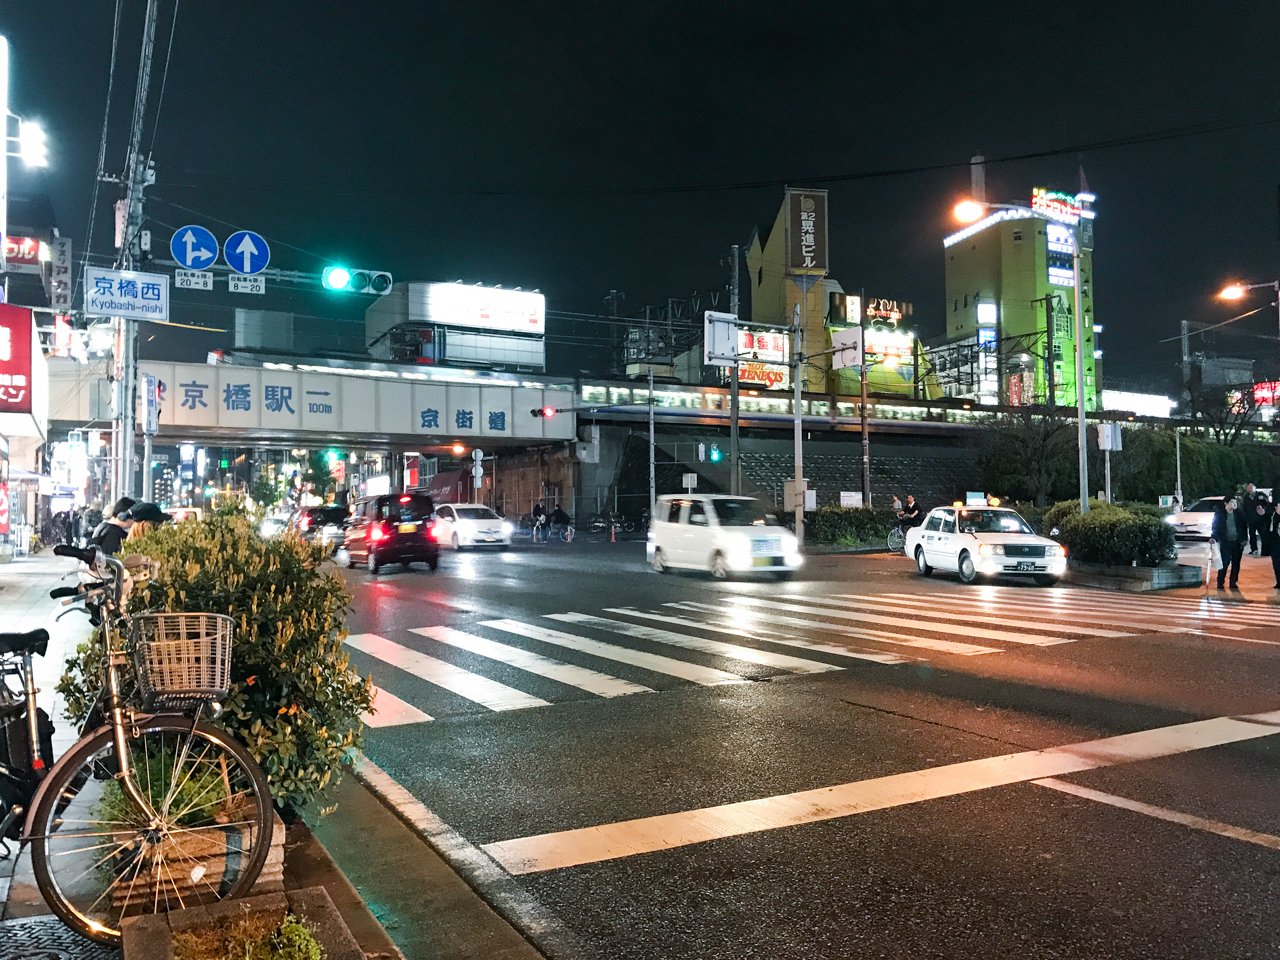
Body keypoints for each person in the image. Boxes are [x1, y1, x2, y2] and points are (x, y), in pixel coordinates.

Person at [1210, 496, 1246, 591]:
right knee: (1224, 562)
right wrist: (1214, 538)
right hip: (1225, 542)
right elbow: (1215, 527)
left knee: (1236, 563)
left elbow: (1244, 528)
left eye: (1235, 502)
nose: (1235, 504)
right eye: (1232, 502)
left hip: (1237, 543)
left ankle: (1233, 582)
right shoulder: (1220, 514)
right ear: (1226, 503)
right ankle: (1220, 582)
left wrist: (1244, 539)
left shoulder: (1239, 514)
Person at [1241, 482, 1272, 556]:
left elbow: (1267, 502)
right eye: (1248, 488)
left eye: (1251, 488)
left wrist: (1263, 500)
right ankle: (1254, 549)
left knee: (1263, 535)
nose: (1250, 489)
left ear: (1255, 488)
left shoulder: (1260, 494)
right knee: (1252, 535)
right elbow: (1244, 508)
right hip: (1251, 520)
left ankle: (1266, 551)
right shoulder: (1246, 497)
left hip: (1260, 520)